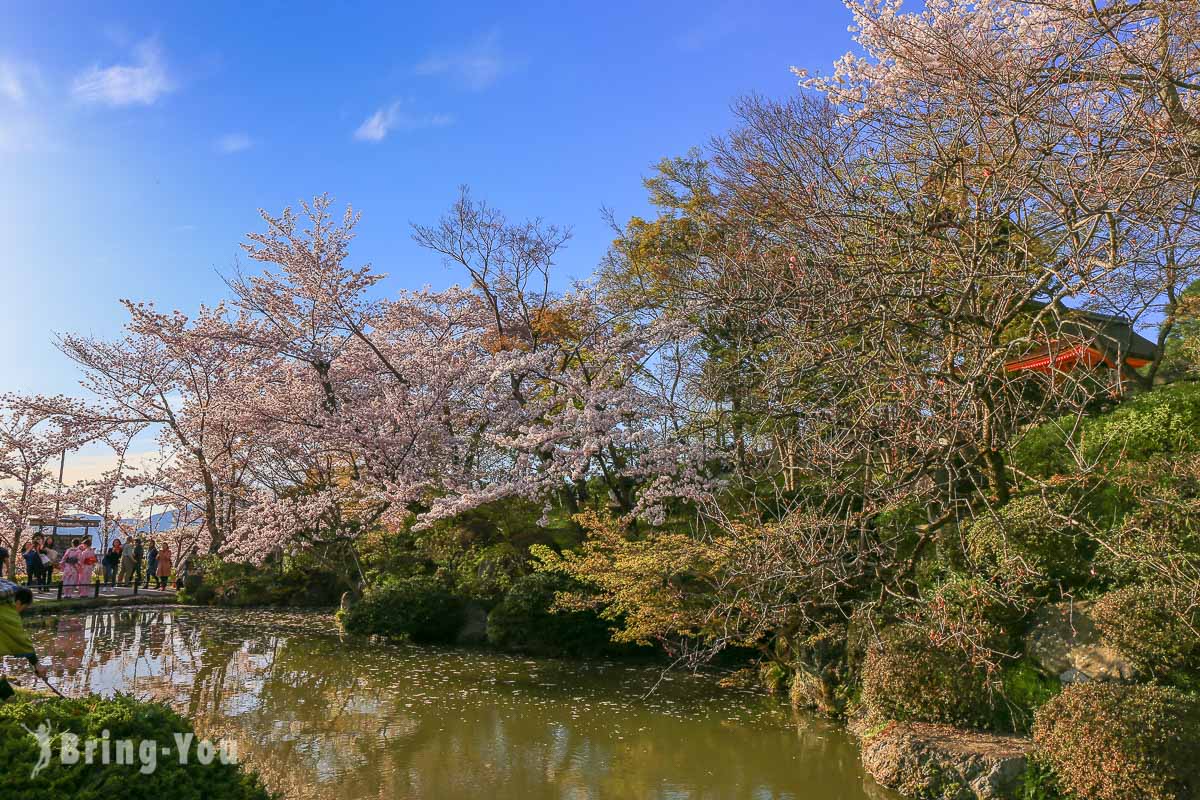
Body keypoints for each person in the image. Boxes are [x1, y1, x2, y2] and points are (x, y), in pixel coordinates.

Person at [0, 584, 48, 692]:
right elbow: (20, 639)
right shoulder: (8, 611)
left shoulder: (3, 602)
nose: (21, 612)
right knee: (8, 695)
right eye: (23, 608)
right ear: (18, 603)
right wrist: (36, 664)